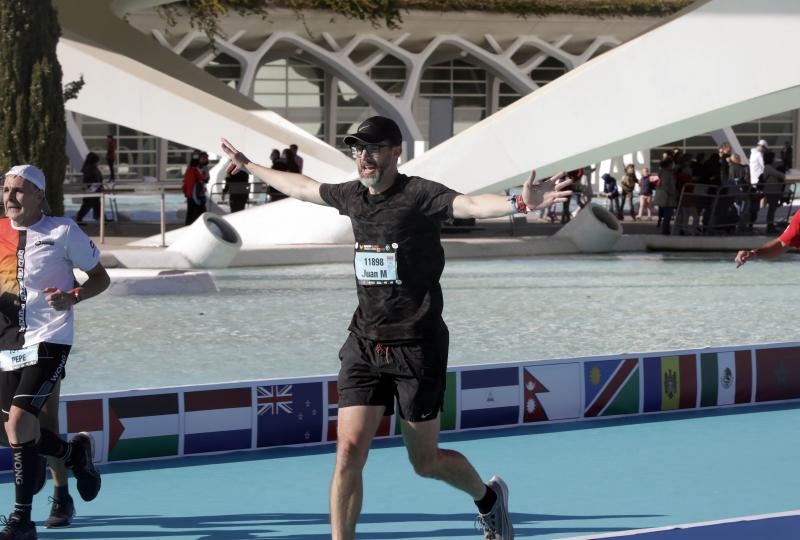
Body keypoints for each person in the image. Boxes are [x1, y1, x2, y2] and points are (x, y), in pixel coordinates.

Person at [221, 116, 573, 540]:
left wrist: (519, 202)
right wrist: (250, 164)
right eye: (357, 149)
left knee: (425, 462)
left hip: (417, 346)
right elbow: (302, 186)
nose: (364, 157)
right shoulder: (352, 195)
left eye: (373, 148)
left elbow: (470, 205)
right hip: (365, 342)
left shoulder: (419, 195)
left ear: (394, 153)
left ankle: (488, 500)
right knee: (349, 451)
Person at [0, 164, 108, 539]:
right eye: (6, 189)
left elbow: (100, 278)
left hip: (50, 338)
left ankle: (39, 509)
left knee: (31, 422)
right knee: (14, 431)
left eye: (19, 190)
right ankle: (74, 454)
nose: (10, 197)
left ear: (38, 195)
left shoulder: (62, 231)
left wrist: (72, 296)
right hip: (7, 343)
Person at [75, 153, 103, 224]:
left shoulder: (88, 168)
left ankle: (101, 218)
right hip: (92, 191)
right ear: (94, 161)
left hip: (92, 190)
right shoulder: (90, 169)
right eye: (97, 161)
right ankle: (79, 219)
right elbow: (95, 180)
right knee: (89, 204)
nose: (98, 163)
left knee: (94, 204)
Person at [761, 151, 785, 234]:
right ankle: (770, 226)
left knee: (772, 209)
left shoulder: (771, 167)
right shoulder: (768, 167)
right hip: (771, 191)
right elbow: (780, 175)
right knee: (771, 209)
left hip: (774, 190)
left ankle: (770, 225)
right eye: (774, 158)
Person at [182, 157, 205, 225]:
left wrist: (185, 192)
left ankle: (188, 224)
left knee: (190, 211)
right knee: (199, 211)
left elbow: (185, 183)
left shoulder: (188, 171)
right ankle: (198, 224)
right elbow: (202, 178)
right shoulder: (195, 171)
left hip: (189, 194)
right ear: (197, 164)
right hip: (195, 195)